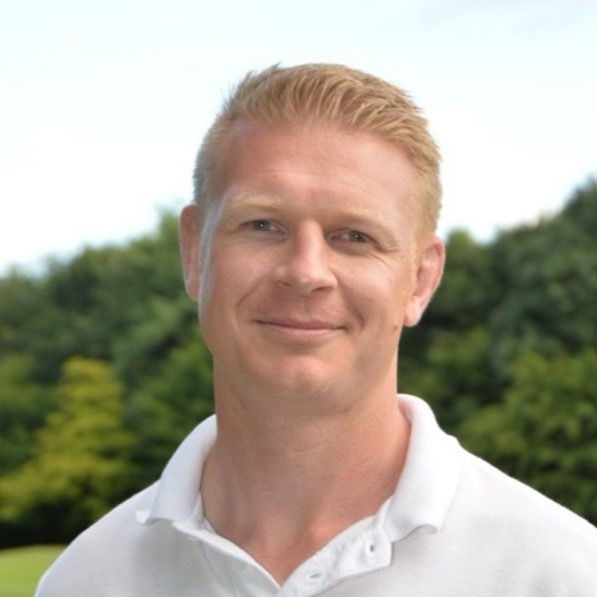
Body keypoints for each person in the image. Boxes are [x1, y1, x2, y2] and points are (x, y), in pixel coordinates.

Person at [36, 63, 597, 596]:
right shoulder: (85, 581)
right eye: (262, 225)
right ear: (193, 250)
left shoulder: (562, 575)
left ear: (421, 279)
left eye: (355, 237)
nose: (305, 273)